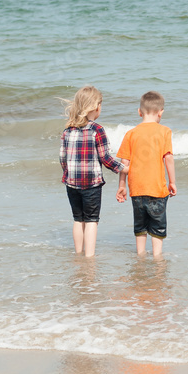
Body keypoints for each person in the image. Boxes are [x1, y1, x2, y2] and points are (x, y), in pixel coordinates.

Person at [59, 86, 127, 257]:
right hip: (91, 184)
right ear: (96, 107)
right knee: (91, 220)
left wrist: (68, 174)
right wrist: (123, 168)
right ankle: (89, 258)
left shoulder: (68, 130)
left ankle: (78, 254)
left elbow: (62, 158)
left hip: (71, 183)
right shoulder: (97, 129)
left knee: (77, 219)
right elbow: (105, 158)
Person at [116, 91, 176, 258]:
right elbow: (168, 158)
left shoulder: (131, 134)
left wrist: (122, 186)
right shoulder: (164, 131)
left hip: (137, 189)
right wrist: (172, 182)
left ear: (139, 111)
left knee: (140, 227)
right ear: (161, 112)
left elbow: (124, 164)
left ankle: (140, 257)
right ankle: (157, 258)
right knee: (157, 228)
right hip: (157, 189)